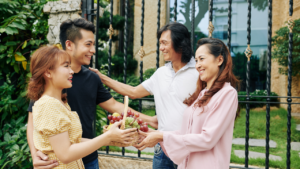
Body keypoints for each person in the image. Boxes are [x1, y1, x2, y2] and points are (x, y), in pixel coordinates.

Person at [26, 18, 157, 169]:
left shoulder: (91, 78)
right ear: (69, 44)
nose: (93, 50)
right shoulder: (48, 90)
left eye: (93, 45)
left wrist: (149, 121)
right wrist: (35, 153)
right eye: (88, 44)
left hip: (88, 158)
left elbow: (114, 105)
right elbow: (33, 123)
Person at [89, 22, 198, 169]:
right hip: (163, 149)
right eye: (160, 43)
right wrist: (102, 78)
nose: (161, 48)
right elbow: (133, 92)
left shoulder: (199, 73)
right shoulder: (161, 74)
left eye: (164, 43)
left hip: (189, 149)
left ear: (180, 43)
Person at [135, 38, 240, 169]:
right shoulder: (201, 94)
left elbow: (207, 139)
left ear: (219, 60)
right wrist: (156, 135)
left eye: (202, 59)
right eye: (196, 61)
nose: (198, 65)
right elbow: (188, 134)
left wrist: (161, 135)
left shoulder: (227, 94)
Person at [27, 46, 136, 169]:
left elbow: (73, 141)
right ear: (48, 72)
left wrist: (112, 138)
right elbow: (65, 155)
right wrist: (107, 137)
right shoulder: (48, 105)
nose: (71, 71)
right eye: (66, 66)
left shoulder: (59, 102)